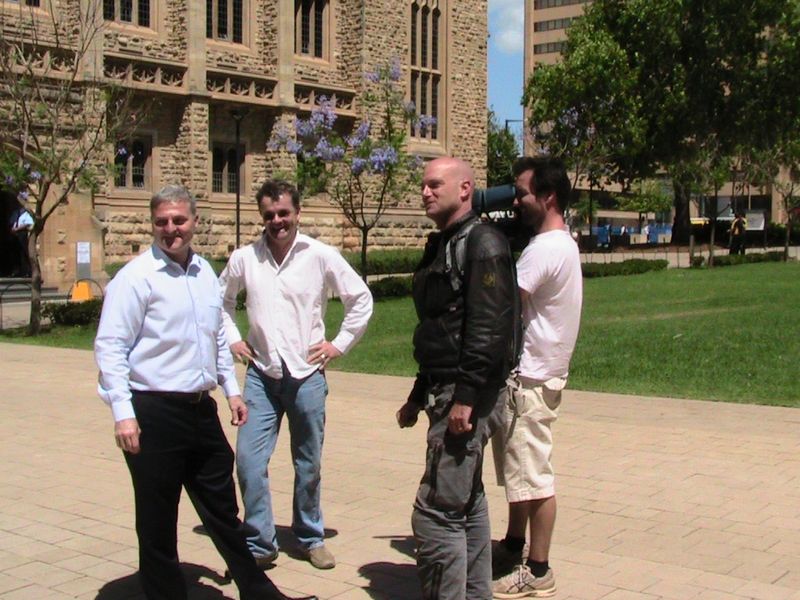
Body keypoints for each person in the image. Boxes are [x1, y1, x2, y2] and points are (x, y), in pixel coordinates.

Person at [94, 185, 316, 600]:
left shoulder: (203, 273)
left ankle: (259, 593)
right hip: (152, 412)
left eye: (179, 220)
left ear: (194, 222)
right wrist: (123, 413)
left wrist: (231, 390)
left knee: (224, 511)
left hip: (200, 410)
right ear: (153, 224)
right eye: (162, 222)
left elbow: (214, 336)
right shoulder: (136, 277)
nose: (171, 229)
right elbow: (110, 347)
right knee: (158, 519)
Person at [219, 180, 373, 570]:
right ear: (262, 216)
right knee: (248, 462)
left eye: (284, 213)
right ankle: (260, 543)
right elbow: (220, 302)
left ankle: (309, 536)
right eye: (269, 214)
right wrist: (233, 337)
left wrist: (338, 345)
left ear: (298, 213)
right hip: (261, 375)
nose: (277, 221)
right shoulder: (244, 258)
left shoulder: (320, 255)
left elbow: (360, 299)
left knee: (308, 463)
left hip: (306, 376)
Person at [396, 157, 517, 600]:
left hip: (466, 396)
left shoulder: (483, 242)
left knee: (437, 510)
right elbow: (440, 325)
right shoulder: (446, 242)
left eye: (435, 185)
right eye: (423, 185)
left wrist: (465, 397)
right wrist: (418, 393)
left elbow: (490, 326)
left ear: (465, 189)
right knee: (466, 500)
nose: (425, 192)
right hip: (448, 389)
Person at [491, 157, 583, 598]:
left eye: (522, 193)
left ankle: (539, 570)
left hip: (530, 378)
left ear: (547, 197)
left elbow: (502, 300)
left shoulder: (544, 248)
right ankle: (513, 544)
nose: (515, 202)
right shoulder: (562, 243)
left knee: (535, 477)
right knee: (521, 473)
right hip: (542, 374)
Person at [9, 201, 33, 277]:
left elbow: (28, 223)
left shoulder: (26, 213)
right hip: (15, 234)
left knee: (25, 252)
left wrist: (17, 229)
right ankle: (17, 271)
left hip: (22, 233)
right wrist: (13, 229)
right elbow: (12, 221)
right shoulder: (15, 213)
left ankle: (28, 271)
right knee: (15, 253)